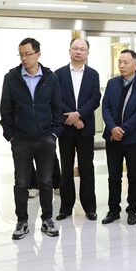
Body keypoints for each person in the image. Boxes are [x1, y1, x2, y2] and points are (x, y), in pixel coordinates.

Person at [0, 37, 63, 240]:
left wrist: (54, 133)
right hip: (21, 140)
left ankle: (47, 219)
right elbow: (5, 109)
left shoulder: (50, 78)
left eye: (28, 54)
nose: (24, 58)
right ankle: (22, 221)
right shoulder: (11, 78)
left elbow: (57, 107)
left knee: (46, 181)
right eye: (21, 54)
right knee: (21, 183)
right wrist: (10, 135)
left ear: (38, 54)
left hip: (46, 138)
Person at [101, 49, 136, 225]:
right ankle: (113, 210)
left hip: (133, 139)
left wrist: (122, 130)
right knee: (114, 176)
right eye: (119, 62)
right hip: (112, 138)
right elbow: (105, 107)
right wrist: (112, 128)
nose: (121, 65)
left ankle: (132, 210)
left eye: (126, 62)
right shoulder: (112, 83)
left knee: (134, 176)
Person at [54, 38, 101, 221]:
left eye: (82, 49)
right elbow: (56, 99)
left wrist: (79, 115)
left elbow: (95, 99)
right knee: (66, 168)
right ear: (69, 51)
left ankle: (90, 207)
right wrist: (73, 119)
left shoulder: (93, 74)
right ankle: (65, 207)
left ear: (87, 53)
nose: (79, 52)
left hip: (85, 128)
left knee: (86, 167)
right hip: (66, 127)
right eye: (75, 48)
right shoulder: (59, 74)